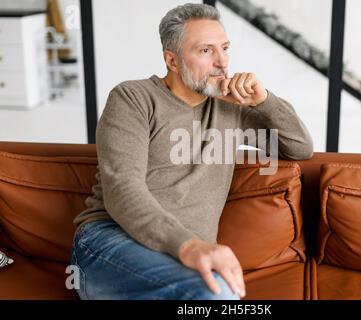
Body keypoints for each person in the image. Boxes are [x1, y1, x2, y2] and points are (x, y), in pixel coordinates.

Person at [70, 3, 314, 300]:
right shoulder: (133, 98)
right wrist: (191, 245)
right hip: (109, 244)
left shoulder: (231, 107)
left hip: (180, 260)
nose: (222, 62)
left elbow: (300, 147)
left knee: (213, 291)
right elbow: (122, 188)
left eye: (225, 48)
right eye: (206, 51)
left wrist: (264, 100)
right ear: (172, 60)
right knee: (216, 293)